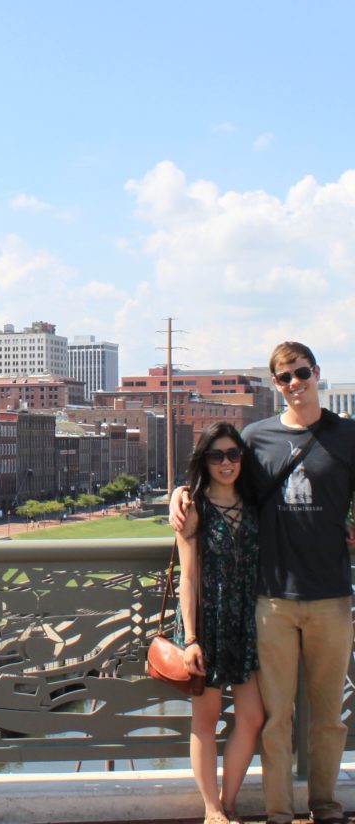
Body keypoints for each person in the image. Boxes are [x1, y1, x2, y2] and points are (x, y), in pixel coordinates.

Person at [172, 341, 355, 824]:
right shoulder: (256, 436)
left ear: (317, 372)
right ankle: (277, 811)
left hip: (332, 594)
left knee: (328, 718)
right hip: (270, 601)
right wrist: (179, 491)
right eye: (284, 377)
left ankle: (326, 804)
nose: (295, 383)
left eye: (301, 373)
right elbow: (216, 469)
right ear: (275, 384)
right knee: (275, 719)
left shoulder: (348, 435)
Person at [176, 423, 263, 824]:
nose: (226, 463)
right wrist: (191, 638)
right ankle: (212, 810)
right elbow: (188, 578)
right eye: (216, 456)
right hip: (207, 623)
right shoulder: (193, 506)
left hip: (248, 620)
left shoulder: (257, 502)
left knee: (252, 717)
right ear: (204, 461)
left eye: (233, 455)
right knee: (206, 719)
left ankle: (228, 801)